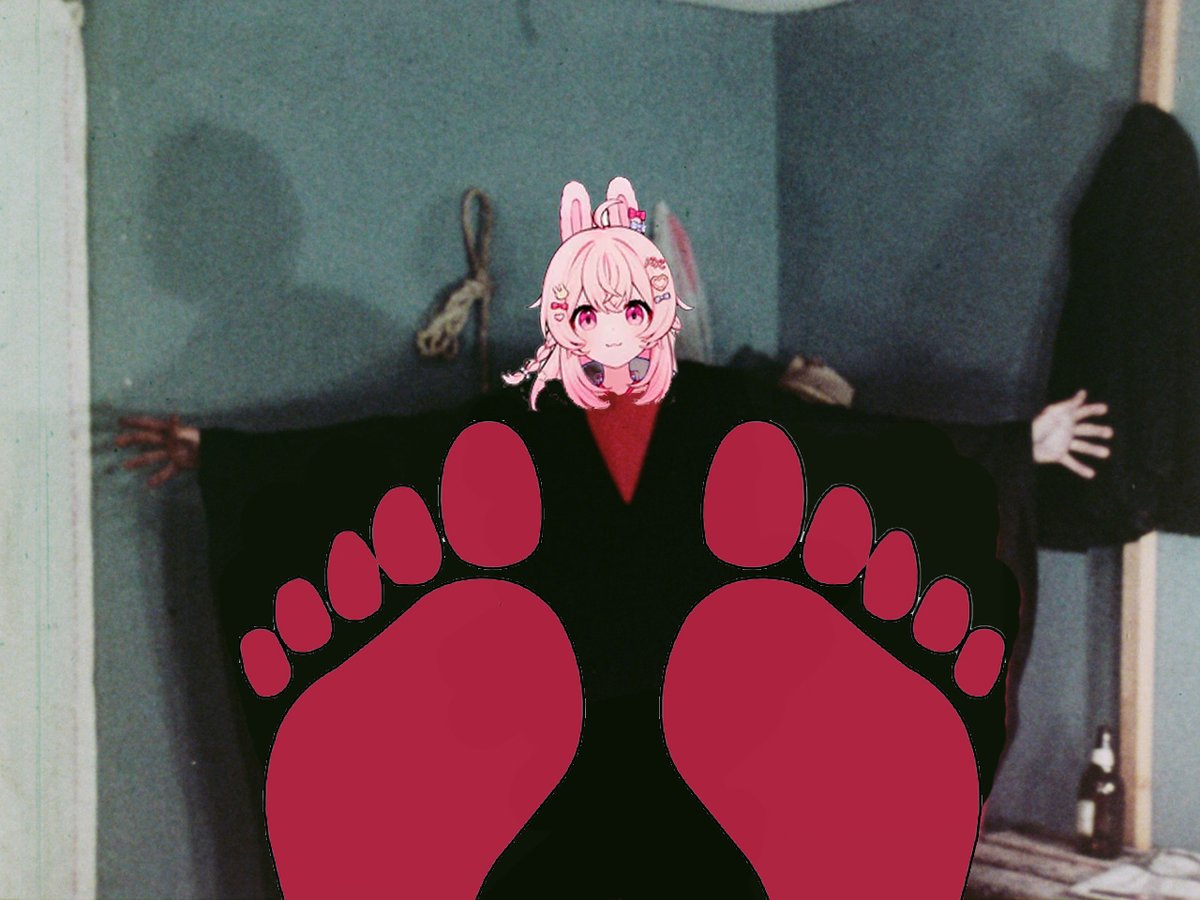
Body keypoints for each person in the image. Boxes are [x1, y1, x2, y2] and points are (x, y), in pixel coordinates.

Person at [116, 178, 1111, 897]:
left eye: (635, 308)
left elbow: (868, 451)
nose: (615, 332)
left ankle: (828, 796)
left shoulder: (730, 413)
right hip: (552, 749)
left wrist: (1018, 444)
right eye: (591, 313)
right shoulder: (519, 428)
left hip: (716, 739)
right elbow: (380, 459)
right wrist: (224, 456)